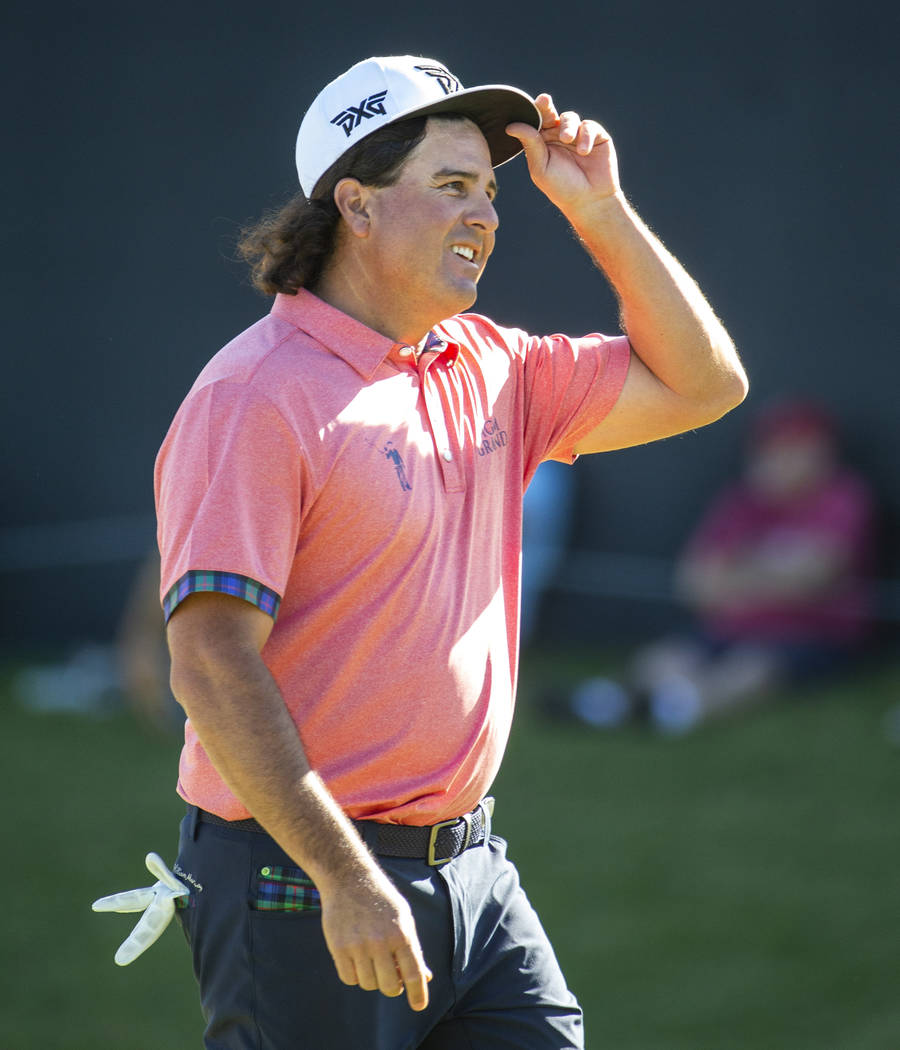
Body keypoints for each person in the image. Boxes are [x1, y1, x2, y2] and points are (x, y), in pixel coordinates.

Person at [154, 54, 747, 1049]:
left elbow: (705, 383)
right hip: (303, 878)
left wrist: (600, 211)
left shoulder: (490, 365)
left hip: (473, 868)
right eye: (451, 186)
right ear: (358, 204)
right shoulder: (253, 394)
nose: (487, 213)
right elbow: (211, 664)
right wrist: (346, 880)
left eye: (488, 188)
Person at [566, 399, 876, 735]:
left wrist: (740, 573)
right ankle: (622, 707)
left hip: (808, 634)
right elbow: (694, 584)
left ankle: (669, 712)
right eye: (775, 449)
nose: (784, 461)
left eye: (798, 450)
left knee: (750, 670)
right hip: (731, 628)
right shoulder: (741, 500)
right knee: (661, 660)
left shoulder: (844, 497)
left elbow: (816, 576)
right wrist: (775, 569)